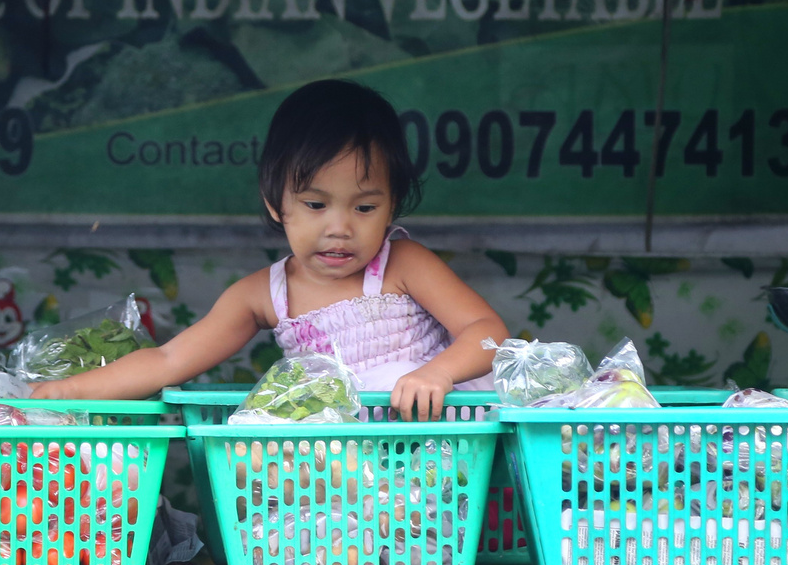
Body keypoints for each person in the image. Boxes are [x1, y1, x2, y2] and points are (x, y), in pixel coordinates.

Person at [32, 79, 508, 420]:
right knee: (247, 450)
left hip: (425, 453)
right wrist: (64, 390)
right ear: (276, 202)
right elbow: (168, 361)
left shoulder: (402, 264)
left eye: (364, 208)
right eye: (316, 204)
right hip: (335, 471)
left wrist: (437, 375)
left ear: (392, 208)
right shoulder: (262, 294)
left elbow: (488, 331)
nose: (339, 228)